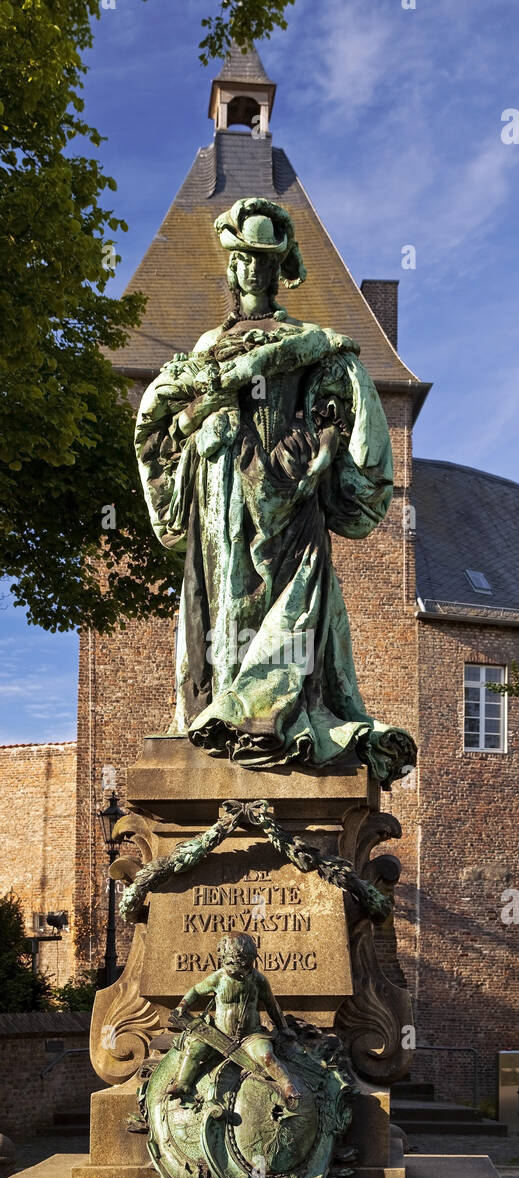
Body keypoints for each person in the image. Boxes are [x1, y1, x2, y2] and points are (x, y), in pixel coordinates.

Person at [135, 197, 416, 784]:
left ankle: (274, 714)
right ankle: (224, 713)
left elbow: (341, 402)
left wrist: (327, 449)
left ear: (279, 266)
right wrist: (192, 426)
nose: (251, 271)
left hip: (290, 497)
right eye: (241, 259)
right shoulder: (208, 347)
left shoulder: (307, 340)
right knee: (226, 602)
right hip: (222, 494)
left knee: (290, 608)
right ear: (231, 267)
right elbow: (162, 417)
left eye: (263, 260)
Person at [168, 932, 300, 1109]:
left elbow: (272, 1005)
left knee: (267, 1056)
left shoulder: (259, 980)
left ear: (250, 960)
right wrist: (182, 1005)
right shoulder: (218, 978)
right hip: (217, 1034)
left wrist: (283, 1028)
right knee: (194, 1049)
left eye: (244, 966)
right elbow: (196, 991)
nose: (238, 971)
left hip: (250, 1036)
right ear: (224, 960)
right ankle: (182, 1083)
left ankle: (287, 1084)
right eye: (233, 967)